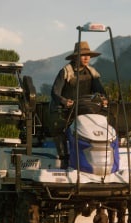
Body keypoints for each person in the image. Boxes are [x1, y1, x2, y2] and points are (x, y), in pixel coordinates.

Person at [49, 41, 107, 169]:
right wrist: (64, 101)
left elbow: (101, 91)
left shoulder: (92, 73)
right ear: (76, 57)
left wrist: (103, 99)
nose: (87, 58)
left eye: (88, 56)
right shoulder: (65, 71)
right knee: (60, 129)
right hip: (64, 110)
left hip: (85, 109)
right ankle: (64, 160)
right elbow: (54, 92)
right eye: (83, 55)